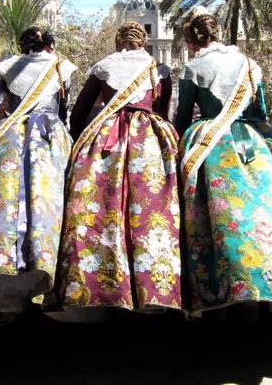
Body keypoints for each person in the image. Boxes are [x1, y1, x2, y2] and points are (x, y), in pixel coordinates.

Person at [175, 6, 272, 318]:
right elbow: (258, 109)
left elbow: (182, 116)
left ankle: (219, 289)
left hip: (211, 144)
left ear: (192, 38)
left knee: (209, 212)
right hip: (252, 142)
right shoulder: (247, 63)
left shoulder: (193, 68)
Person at [56, 21, 182, 319]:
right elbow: (163, 109)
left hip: (107, 139)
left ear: (117, 40)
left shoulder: (104, 65)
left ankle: (99, 285)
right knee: (154, 210)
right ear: (145, 42)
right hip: (150, 140)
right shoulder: (158, 68)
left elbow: (81, 110)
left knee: (99, 204)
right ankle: (153, 289)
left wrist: (79, 140)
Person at [0, 26, 76, 315]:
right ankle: (48, 278)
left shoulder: (7, 68)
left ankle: (4, 274)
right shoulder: (62, 67)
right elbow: (64, 109)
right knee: (53, 203)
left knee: (5, 203)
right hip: (49, 138)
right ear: (51, 46)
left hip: (12, 138)